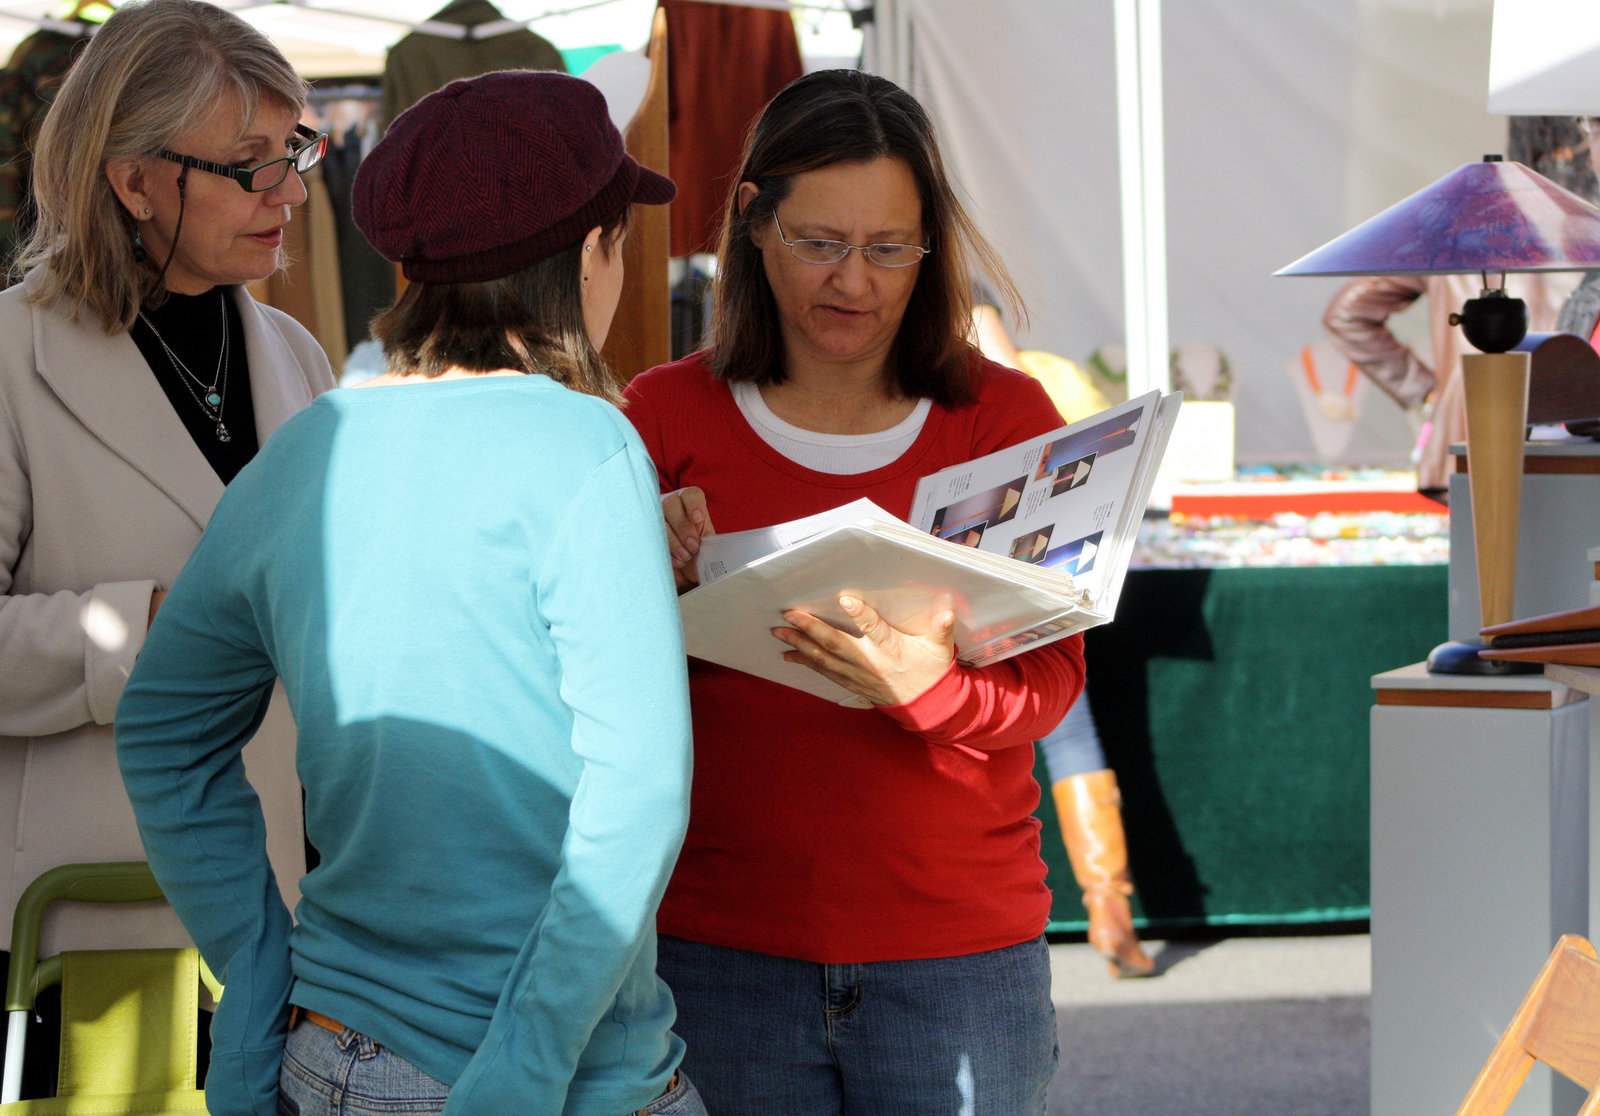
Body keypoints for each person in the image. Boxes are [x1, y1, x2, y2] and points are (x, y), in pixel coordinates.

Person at [116, 70, 703, 1116]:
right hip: (551, 1077)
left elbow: (161, 731)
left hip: (327, 1050)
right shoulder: (588, 443)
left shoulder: (306, 448)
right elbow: (639, 791)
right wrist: (521, 1075)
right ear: (587, 253)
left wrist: (254, 996)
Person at [624, 68, 1084, 1114]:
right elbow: (583, 696)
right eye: (819, 243)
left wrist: (930, 691)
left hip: (959, 954)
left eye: (890, 249)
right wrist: (646, 586)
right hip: (719, 949)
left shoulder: (1002, 420)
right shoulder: (661, 415)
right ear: (752, 220)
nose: (856, 284)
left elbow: (1051, 688)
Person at [0, 0, 335, 1083]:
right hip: (82, 923)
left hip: (277, 917)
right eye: (248, 166)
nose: (286, 192)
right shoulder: (12, 360)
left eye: (293, 152)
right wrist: (146, 629)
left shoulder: (295, 352)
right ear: (131, 177)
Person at [967, 286, 1156, 980]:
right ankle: (1111, 912)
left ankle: (1109, 912)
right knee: (1068, 730)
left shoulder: (927, 360)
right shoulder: (1035, 370)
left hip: (997, 574)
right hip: (1027, 571)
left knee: (1044, 727)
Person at [1323, 116, 1594, 496]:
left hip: (1468, 434)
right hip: (1566, 447)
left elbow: (1346, 314)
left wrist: (1430, 392)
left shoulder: (1456, 228)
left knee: (1478, 552)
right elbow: (1346, 316)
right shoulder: (1590, 231)